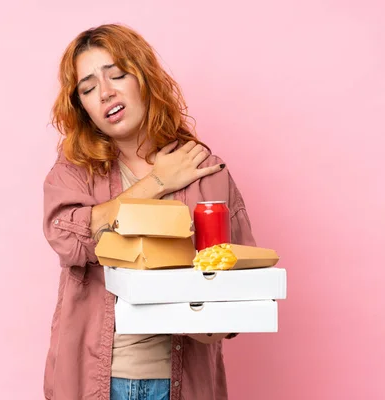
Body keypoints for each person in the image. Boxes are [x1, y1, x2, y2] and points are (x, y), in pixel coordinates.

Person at [42, 23, 256, 400]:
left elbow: (239, 277)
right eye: (88, 88)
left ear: (144, 78)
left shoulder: (204, 168)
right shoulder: (75, 170)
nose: (105, 93)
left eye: (118, 75)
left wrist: (213, 319)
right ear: (83, 107)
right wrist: (159, 182)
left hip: (183, 384)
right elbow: (67, 238)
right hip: (98, 382)